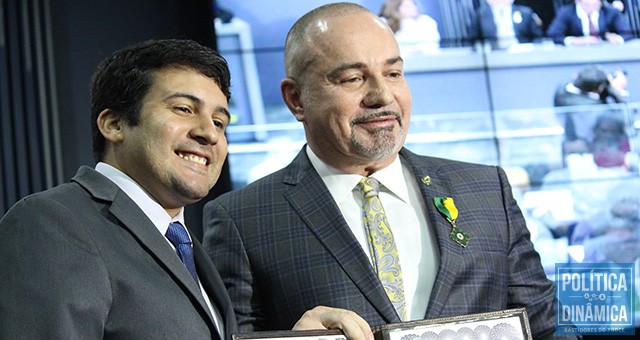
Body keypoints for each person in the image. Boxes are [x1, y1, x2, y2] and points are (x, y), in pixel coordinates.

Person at [203, 3, 576, 339]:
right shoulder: (242, 220)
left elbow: (548, 327)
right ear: (296, 99)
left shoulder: (486, 189)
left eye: (394, 73)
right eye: (352, 79)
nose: (382, 96)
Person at [0, 39, 366, 340]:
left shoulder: (181, 242)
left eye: (220, 121)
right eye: (183, 109)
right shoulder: (52, 223)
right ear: (114, 124)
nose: (209, 133)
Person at [546, 0, 632, 45]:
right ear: (578, 2)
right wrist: (574, 41)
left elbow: (628, 32)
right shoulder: (566, 12)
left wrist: (617, 39)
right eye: (587, 5)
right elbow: (552, 34)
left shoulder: (611, 12)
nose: (591, 8)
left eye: (595, 5)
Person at [467, 0, 543, 49]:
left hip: (521, 55)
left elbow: (538, 37)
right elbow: (472, 40)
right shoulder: (480, 15)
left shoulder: (525, 12)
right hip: (493, 59)